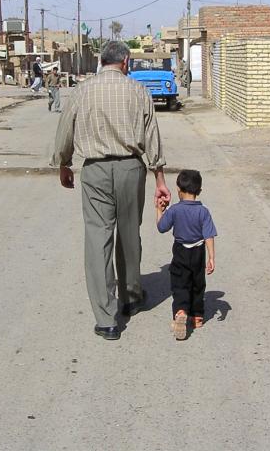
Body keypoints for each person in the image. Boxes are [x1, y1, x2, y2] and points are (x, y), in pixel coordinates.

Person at [52, 40, 171, 341]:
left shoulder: (82, 90)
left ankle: (106, 319)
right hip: (132, 168)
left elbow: (65, 128)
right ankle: (130, 298)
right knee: (129, 234)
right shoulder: (138, 91)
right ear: (126, 62)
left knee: (97, 239)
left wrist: (64, 164)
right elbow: (152, 135)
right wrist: (160, 178)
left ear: (101, 61)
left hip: (95, 170)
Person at [156, 169, 217, 341]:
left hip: (181, 251)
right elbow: (209, 236)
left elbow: (161, 227)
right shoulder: (203, 212)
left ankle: (181, 311)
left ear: (178, 190)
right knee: (198, 283)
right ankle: (197, 316)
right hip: (198, 252)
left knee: (180, 283)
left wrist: (159, 210)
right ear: (199, 191)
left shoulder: (175, 210)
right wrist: (211, 257)